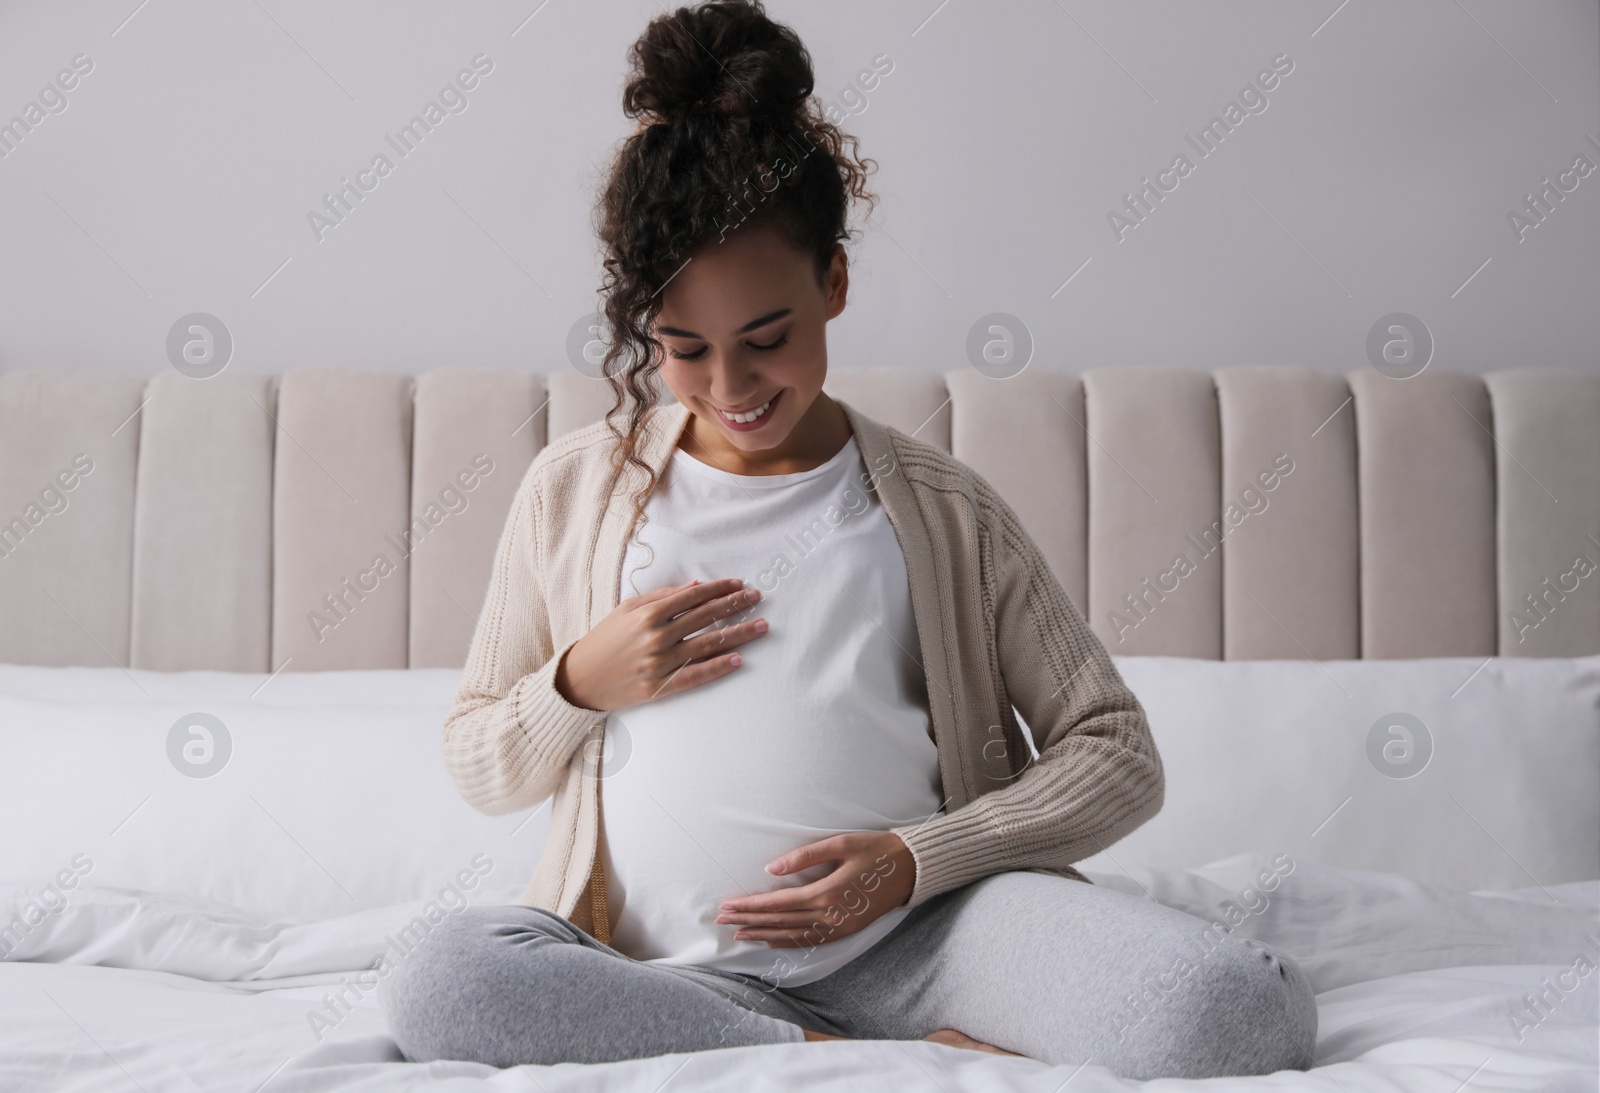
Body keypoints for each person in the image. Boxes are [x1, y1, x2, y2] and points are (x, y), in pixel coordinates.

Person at [380, 1, 1317, 1079]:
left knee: (1235, 1013)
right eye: (682, 348)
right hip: (661, 972)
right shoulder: (574, 491)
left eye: (766, 339)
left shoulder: (940, 506)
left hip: (927, 943)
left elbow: (1116, 753)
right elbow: (475, 759)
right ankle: (835, 1054)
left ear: (831, 282)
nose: (730, 387)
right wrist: (577, 684)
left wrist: (915, 861)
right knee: (436, 973)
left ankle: (861, 1033)